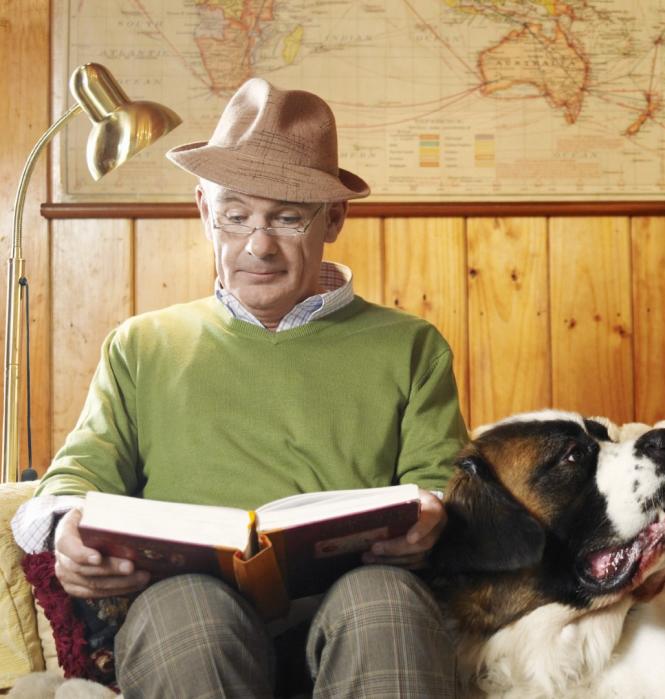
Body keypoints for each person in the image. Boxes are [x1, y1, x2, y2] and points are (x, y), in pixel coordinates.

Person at [11, 78, 468, 697]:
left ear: (333, 218)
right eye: (235, 215)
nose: (257, 245)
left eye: (286, 217)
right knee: (189, 614)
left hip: (353, 600)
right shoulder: (141, 346)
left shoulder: (411, 346)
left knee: (382, 603)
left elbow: (443, 482)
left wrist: (434, 514)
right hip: (187, 607)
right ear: (204, 211)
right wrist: (66, 528)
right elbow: (72, 479)